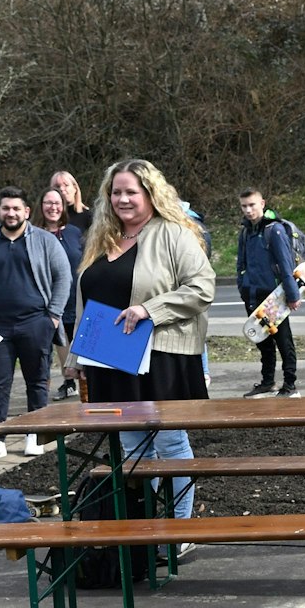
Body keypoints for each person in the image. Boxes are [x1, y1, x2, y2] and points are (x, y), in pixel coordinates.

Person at [74, 158, 214, 522]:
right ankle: (150, 529)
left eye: (131, 192)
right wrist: (79, 358)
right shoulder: (101, 238)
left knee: (168, 443)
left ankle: (179, 530)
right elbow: (85, 300)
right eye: (116, 192)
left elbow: (202, 287)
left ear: (150, 194)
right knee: (130, 446)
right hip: (109, 358)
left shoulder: (174, 233)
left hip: (160, 358)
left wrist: (150, 309)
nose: (123, 199)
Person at [0, 187, 73, 462]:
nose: (10, 213)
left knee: (37, 381)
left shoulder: (45, 240)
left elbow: (63, 277)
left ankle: (35, 435)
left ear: (26, 211)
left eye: (16, 209)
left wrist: (53, 316)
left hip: (35, 322)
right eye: (5, 208)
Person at [236, 189, 301, 398]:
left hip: (274, 298)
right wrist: (242, 287)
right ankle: (268, 382)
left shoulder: (275, 230)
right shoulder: (246, 232)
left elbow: (285, 264)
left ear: (262, 203)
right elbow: (241, 263)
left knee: (283, 341)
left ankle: (290, 385)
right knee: (262, 341)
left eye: (252, 205)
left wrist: (292, 295)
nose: (248, 210)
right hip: (252, 295)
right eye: (244, 206)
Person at [37, 187, 84, 400]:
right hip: (48, 299)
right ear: (40, 206)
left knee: (79, 340)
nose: (53, 207)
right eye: (48, 203)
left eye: (57, 203)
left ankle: (84, 386)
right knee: (57, 343)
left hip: (77, 296)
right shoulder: (34, 233)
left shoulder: (74, 232)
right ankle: (64, 382)